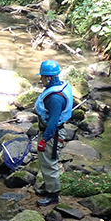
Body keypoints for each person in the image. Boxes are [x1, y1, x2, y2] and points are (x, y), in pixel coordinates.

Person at [34, 60, 73, 206]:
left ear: (49, 78)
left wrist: (44, 139)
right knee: (45, 161)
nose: (41, 80)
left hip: (52, 134)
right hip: (52, 132)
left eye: (42, 77)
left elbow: (53, 122)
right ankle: (48, 187)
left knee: (49, 163)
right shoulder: (60, 86)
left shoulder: (55, 98)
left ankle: (53, 195)